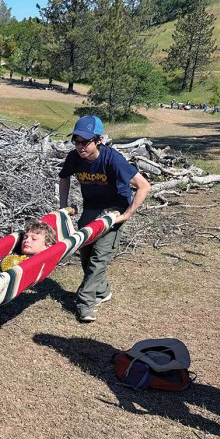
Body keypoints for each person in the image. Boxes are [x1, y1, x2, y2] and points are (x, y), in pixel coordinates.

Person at [58, 115, 150, 322]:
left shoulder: (113, 159)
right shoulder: (74, 158)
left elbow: (144, 186)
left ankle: (85, 303)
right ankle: (102, 291)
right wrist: (63, 206)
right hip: (91, 207)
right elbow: (64, 177)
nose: (80, 146)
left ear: (99, 140)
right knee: (86, 253)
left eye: (85, 142)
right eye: (76, 141)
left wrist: (126, 215)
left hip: (114, 210)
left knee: (100, 257)